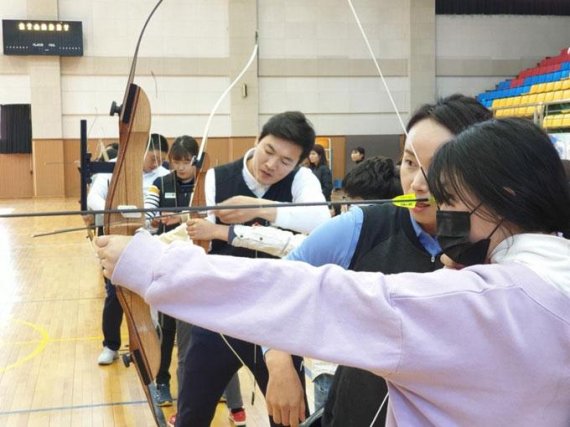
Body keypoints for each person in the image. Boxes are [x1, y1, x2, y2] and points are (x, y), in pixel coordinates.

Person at [98, 117, 570, 426]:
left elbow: (315, 294)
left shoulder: (475, 300)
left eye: (449, 199)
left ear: (505, 194)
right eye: (410, 165)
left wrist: (151, 265)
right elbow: (304, 260)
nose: (431, 202)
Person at [258, 95, 492, 427]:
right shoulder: (361, 227)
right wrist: (279, 362)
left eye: (438, 167)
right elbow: (274, 286)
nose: (418, 183)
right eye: (410, 163)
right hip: (356, 412)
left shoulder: (500, 243)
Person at [165, 111, 331, 427]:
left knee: (290, 419)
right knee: (191, 415)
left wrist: (257, 209)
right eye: (269, 151)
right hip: (218, 314)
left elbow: (320, 221)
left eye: (286, 161)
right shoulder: (215, 178)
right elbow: (199, 235)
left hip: (277, 320)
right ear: (257, 141)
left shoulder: (302, 180)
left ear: (298, 163)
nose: (272, 165)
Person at [89, 133, 169, 365]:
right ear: (140, 151)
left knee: (153, 296)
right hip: (116, 241)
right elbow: (93, 197)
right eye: (153, 157)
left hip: (149, 244)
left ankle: (151, 344)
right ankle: (111, 345)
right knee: (116, 296)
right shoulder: (112, 168)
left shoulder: (163, 176)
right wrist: (117, 212)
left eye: (161, 160)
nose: (156, 164)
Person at [142, 135, 199, 408]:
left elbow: (210, 215)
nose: (181, 168)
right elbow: (149, 215)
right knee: (167, 329)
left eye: (187, 162)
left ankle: (208, 384)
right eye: (176, 162)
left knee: (204, 331)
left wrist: (182, 217)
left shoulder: (206, 184)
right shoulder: (160, 183)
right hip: (169, 265)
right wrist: (150, 220)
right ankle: (162, 381)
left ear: (195, 161)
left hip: (200, 265)